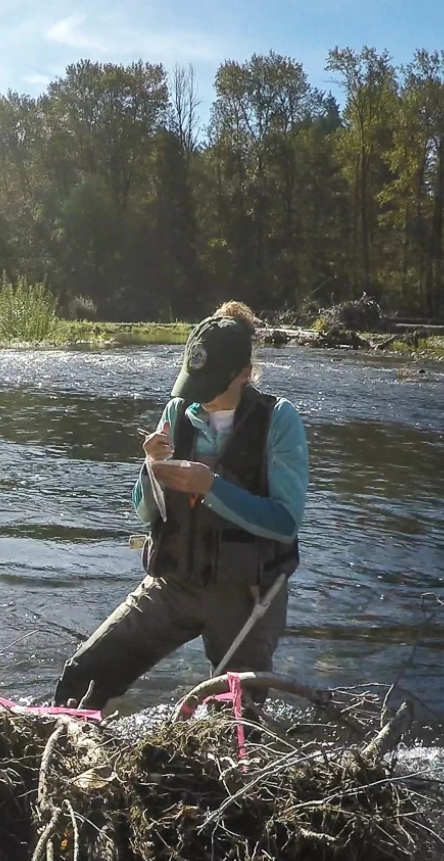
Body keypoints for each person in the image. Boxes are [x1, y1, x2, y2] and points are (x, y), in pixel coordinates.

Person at [53, 301, 308, 711]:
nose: (195, 400)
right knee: (82, 678)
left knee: (237, 720)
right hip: (174, 583)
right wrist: (151, 468)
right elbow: (145, 513)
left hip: (246, 598)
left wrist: (212, 487)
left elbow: (285, 523)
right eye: (192, 385)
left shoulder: (279, 419)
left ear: (244, 374)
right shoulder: (177, 410)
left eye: (207, 388)